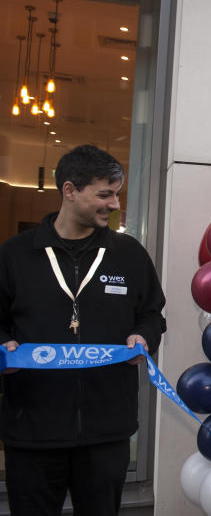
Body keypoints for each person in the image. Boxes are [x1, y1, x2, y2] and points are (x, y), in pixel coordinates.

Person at [0, 145, 166, 516]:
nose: (113, 203)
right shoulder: (14, 255)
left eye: (116, 194)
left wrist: (144, 336)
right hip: (32, 431)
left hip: (107, 432)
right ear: (70, 190)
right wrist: (3, 347)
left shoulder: (129, 254)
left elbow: (152, 314)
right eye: (104, 194)